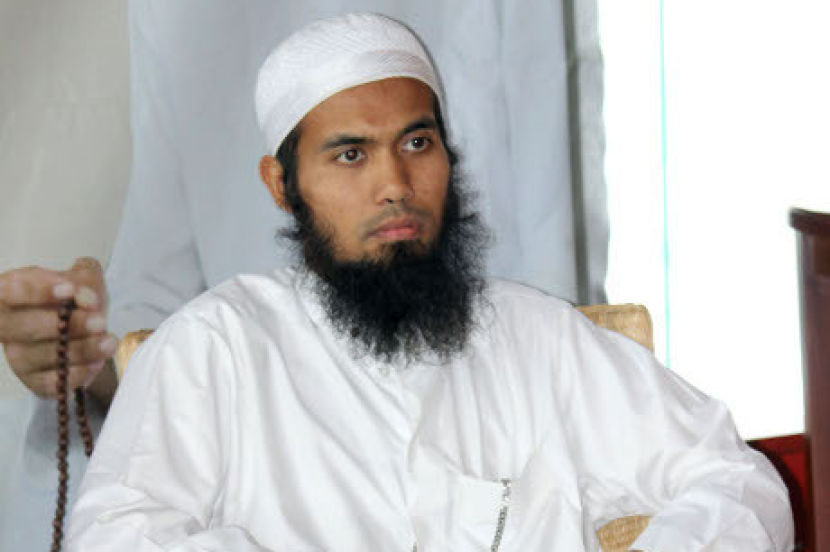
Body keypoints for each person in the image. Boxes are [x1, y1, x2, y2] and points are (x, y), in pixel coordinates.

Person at [67, 14, 793, 552]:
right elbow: (115, 535)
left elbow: (738, 483)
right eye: (351, 155)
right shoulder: (215, 347)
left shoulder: (538, 338)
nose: (395, 184)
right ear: (282, 185)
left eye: (417, 143)